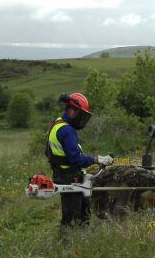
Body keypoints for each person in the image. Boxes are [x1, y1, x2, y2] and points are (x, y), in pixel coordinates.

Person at [45, 92, 113, 230]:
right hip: (69, 176)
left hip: (62, 174)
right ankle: (69, 244)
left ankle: (79, 242)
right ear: (72, 110)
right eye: (80, 115)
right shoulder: (67, 130)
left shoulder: (56, 124)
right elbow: (75, 159)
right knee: (74, 217)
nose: (81, 119)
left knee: (83, 213)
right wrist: (96, 159)